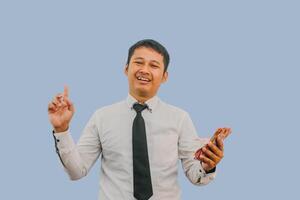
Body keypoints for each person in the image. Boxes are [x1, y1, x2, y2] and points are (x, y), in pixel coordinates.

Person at [48, 39, 231, 200]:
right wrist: (62, 130)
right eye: (138, 62)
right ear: (126, 69)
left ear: (164, 76)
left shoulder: (180, 118)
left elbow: (195, 176)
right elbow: (76, 171)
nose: (144, 70)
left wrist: (207, 165)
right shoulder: (102, 117)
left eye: (154, 65)